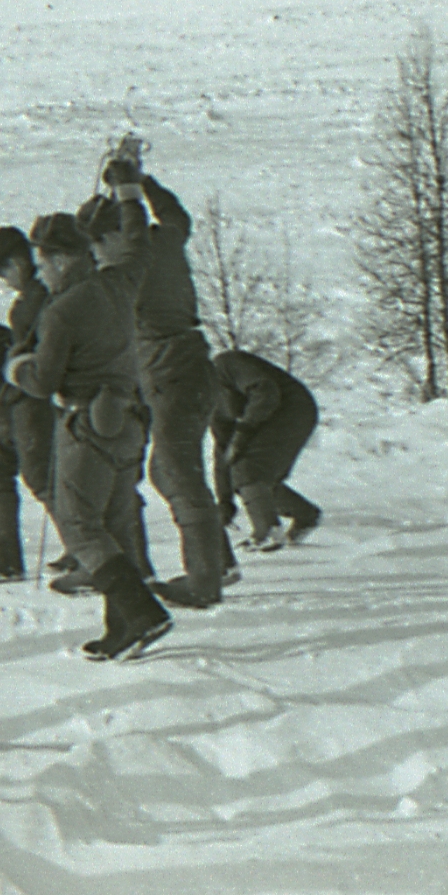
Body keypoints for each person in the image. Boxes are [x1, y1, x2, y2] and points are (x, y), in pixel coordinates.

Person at [12, 211, 171, 661]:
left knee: (80, 525)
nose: (41, 273)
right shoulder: (117, 284)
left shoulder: (61, 310)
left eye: (42, 264)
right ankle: (123, 630)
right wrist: (127, 193)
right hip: (128, 422)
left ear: (61, 261)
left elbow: (43, 383)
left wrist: (16, 367)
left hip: (85, 425)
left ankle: (142, 613)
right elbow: (140, 250)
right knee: (117, 522)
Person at [99, 154, 231, 609]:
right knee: (169, 470)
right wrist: (143, 182)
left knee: (177, 470)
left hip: (173, 371)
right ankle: (218, 561)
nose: (98, 254)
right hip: (189, 368)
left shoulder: (134, 262)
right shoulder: (168, 240)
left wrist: (129, 193)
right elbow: (175, 215)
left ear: (120, 235)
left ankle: (205, 582)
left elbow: (137, 232)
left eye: (102, 242)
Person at [0, 225, 54, 582]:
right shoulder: (33, 296)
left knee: (41, 477)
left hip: (30, 401)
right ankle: (2, 556)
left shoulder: (41, 296)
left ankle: (90, 553)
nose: (4, 280)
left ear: (18, 261)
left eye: (3, 270)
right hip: (13, 398)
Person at [208, 348, 323, 550]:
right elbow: (224, 453)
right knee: (247, 474)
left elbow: (266, 390)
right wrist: (225, 501)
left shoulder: (226, 364)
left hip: (294, 408)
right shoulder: (211, 405)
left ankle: (267, 532)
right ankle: (304, 514)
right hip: (265, 418)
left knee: (249, 470)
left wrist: (245, 429)